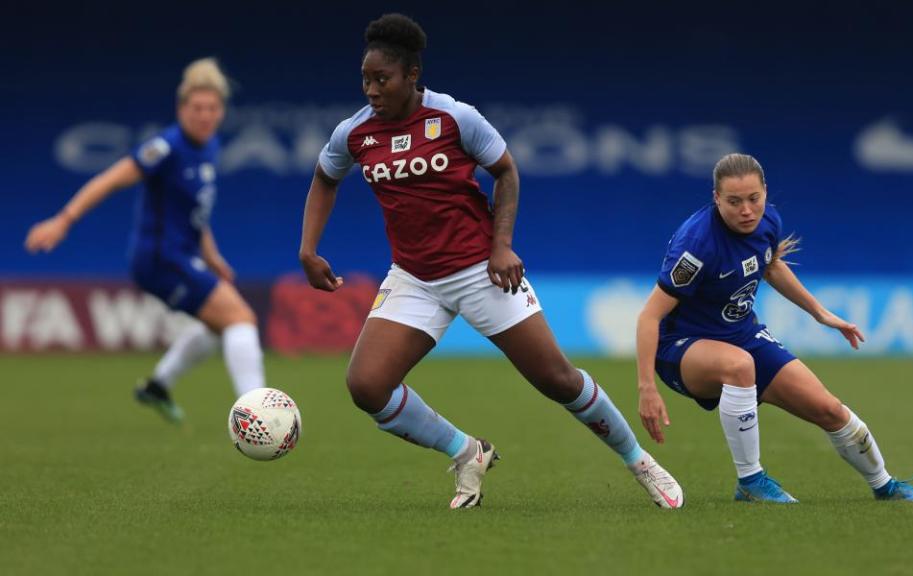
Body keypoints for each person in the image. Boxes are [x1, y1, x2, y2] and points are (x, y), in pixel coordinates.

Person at [299, 13, 683, 509]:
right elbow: (325, 178)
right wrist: (308, 249)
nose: (372, 89)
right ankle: (466, 453)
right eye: (366, 79)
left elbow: (506, 172)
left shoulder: (455, 118)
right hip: (414, 277)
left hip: (481, 270)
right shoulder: (354, 133)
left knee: (557, 379)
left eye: (383, 79)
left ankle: (639, 461)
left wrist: (501, 245)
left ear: (412, 75)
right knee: (367, 386)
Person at [634, 152, 913, 503]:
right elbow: (649, 317)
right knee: (738, 366)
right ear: (716, 199)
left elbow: (770, 265)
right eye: (734, 202)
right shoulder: (696, 245)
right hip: (681, 347)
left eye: (754, 199)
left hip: (741, 334)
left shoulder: (767, 222)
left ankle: (885, 486)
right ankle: (750, 481)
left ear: (765, 191)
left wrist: (820, 313)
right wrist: (646, 387)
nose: (746, 210)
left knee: (829, 409)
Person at [25, 58, 266, 423]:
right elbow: (108, 180)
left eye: (212, 108)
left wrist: (212, 256)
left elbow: (195, 212)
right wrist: (64, 219)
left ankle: (158, 386)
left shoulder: (210, 146)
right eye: (197, 108)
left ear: (221, 111)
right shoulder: (164, 147)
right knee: (240, 318)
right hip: (160, 259)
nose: (205, 115)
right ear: (181, 109)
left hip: (183, 255)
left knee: (219, 325)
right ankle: (258, 415)